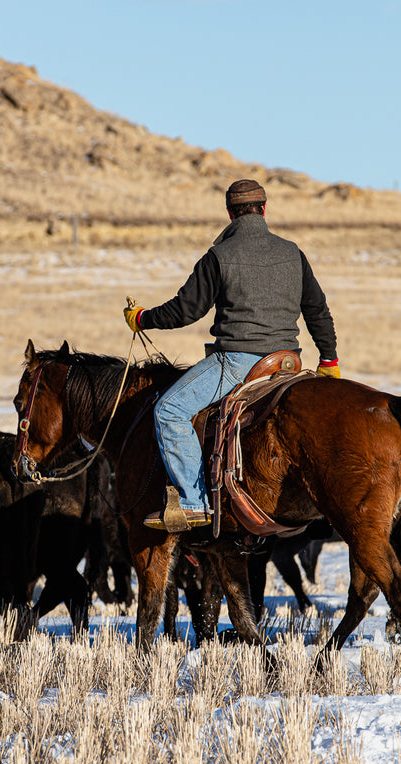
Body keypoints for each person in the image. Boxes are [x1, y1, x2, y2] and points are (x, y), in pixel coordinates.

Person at [123, 178, 340, 532]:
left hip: (238, 362)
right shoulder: (293, 252)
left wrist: (143, 319)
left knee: (169, 411)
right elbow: (318, 310)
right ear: (264, 210)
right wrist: (329, 361)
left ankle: (194, 503)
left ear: (229, 213)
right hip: (288, 363)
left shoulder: (219, 256)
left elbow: (185, 311)